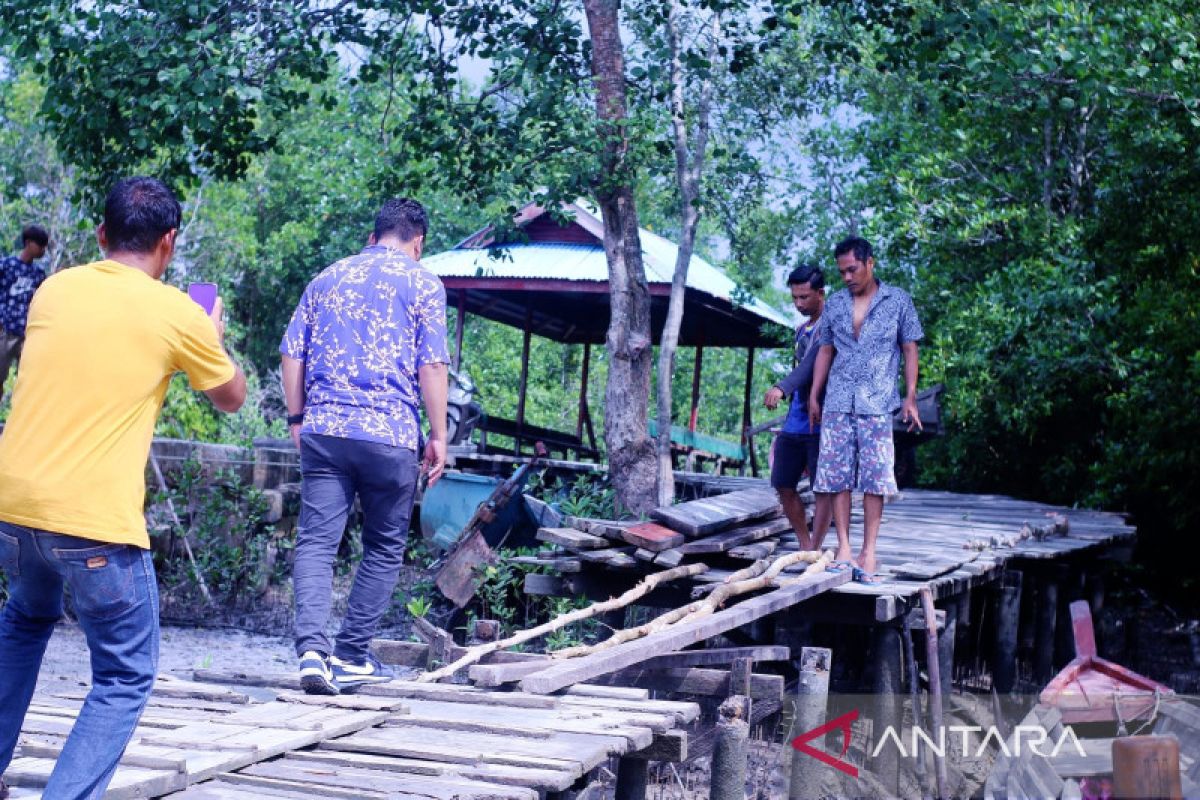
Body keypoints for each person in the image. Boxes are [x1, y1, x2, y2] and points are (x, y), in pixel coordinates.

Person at [0, 177, 247, 799]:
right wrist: (210, 337)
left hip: (14, 505)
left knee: (26, 619)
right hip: (93, 521)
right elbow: (231, 399)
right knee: (125, 674)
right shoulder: (179, 314)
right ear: (169, 243)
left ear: (102, 234)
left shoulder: (54, 289)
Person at [281, 197, 449, 695]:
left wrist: (297, 416)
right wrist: (438, 436)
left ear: (373, 237)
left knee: (316, 540)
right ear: (417, 243)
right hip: (389, 436)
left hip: (326, 430)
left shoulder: (327, 277)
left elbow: (292, 353)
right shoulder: (424, 282)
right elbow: (432, 366)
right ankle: (352, 656)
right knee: (382, 545)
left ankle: (312, 652)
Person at [808, 236, 923, 584]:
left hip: (877, 401)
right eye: (841, 272)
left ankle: (868, 550)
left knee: (875, 477)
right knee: (836, 476)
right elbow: (826, 350)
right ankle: (843, 547)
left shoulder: (897, 300)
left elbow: (909, 348)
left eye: (852, 269)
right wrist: (815, 394)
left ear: (870, 263)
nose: (846, 277)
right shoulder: (836, 304)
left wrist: (911, 396)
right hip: (839, 399)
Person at [764, 264, 833, 551]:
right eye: (794, 298)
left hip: (824, 418)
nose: (798, 304)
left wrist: (782, 387)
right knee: (782, 482)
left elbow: (811, 365)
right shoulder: (800, 330)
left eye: (804, 297)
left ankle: (815, 547)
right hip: (796, 419)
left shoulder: (831, 325)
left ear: (820, 293)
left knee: (823, 488)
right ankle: (805, 544)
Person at [0, 224, 50, 401]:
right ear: (29, 243)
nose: (44, 250)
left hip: (27, 335)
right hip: (5, 331)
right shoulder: (6, 266)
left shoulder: (38, 274)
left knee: (29, 380)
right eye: (41, 245)